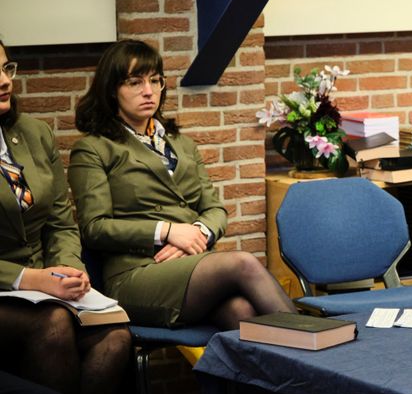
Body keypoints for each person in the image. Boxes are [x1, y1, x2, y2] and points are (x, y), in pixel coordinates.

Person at [69, 39, 296, 329]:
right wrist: (168, 232)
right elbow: (94, 228)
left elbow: (215, 210)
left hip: (193, 264)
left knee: (242, 312)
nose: (149, 91)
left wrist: (195, 235)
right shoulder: (94, 148)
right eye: (135, 82)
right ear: (112, 89)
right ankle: (318, 348)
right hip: (137, 275)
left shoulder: (181, 143)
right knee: (243, 263)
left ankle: (288, 370)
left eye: (155, 80)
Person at [0, 40, 131, 394]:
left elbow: (60, 221)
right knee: (54, 324)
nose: (4, 81)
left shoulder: (34, 133)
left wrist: (68, 270)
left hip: (43, 286)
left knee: (116, 337)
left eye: (7, 69)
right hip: (14, 287)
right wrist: (30, 278)